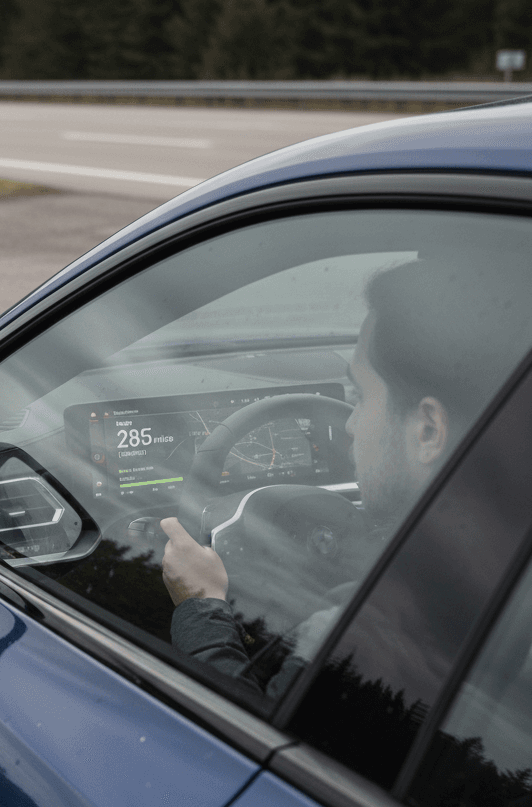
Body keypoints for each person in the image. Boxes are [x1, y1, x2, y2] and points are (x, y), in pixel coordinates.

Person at [158, 254, 528, 699]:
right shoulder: (502, 554)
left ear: (429, 430)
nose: (350, 423)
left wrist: (201, 603)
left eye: (361, 396)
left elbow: (241, 726)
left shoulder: (369, 632)